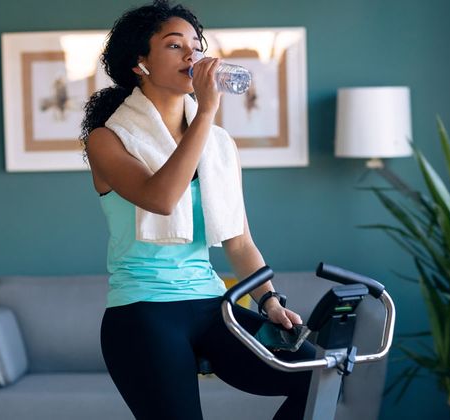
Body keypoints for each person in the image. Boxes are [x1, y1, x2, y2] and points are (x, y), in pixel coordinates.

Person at [80, 1, 315, 419]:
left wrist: (270, 302)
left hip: (211, 305)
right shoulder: (107, 140)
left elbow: (240, 243)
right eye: (175, 46)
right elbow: (160, 197)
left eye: (196, 45)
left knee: (318, 375)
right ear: (141, 63)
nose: (193, 56)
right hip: (141, 314)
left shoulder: (219, 145)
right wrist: (207, 110)